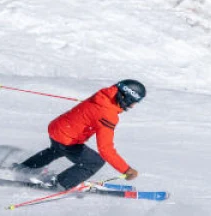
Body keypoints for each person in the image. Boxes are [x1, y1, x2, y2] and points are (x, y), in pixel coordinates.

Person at [13, 80, 144, 189]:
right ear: (124, 97)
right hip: (67, 138)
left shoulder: (103, 95)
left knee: (56, 150)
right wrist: (126, 170)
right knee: (94, 162)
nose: (132, 106)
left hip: (56, 128)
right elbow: (105, 149)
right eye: (133, 102)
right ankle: (61, 184)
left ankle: (25, 167)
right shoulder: (108, 115)